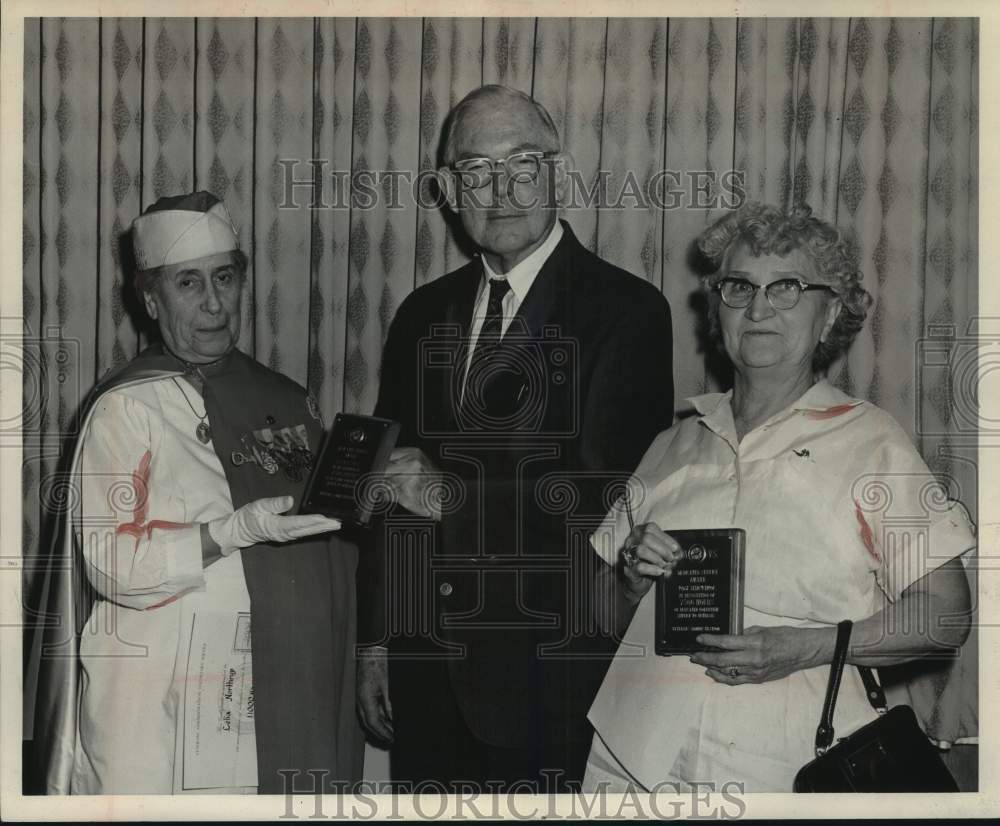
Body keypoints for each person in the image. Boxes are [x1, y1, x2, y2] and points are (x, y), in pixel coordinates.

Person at [583, 202, 975, 793]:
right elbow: (600, 617)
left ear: (830, 315)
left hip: (785, 767)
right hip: (629, 763)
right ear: (718, 310)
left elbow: (945, 614)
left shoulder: (870, 441)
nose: (759, 307)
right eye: (738, 287)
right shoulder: (672, 444)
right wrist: (631, 582)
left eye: (787, 288)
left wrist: (806, 647)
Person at [354, 85, 675, 790]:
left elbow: (605, 499)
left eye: (523, 164)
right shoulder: (421, 313)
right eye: (475, 171)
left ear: (559, 173)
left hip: (549, 680)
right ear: (446, 190)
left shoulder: (626, 312)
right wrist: (376, 639)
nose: (501, 190)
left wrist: (452, 498)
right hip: (425, 675)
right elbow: (388, 483)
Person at [28, 192, 363, 794]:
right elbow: (109, 565)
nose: (214, 303)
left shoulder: (286, 399)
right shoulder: (125, 407)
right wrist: (230, 531)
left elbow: (322, 541)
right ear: (151, 299)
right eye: (189, 283)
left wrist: (370, 493)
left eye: (225, 277)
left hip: (277, 686)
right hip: (159, 707)